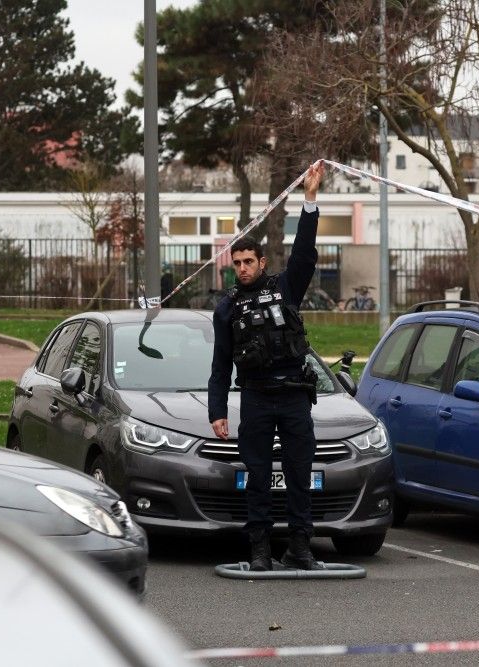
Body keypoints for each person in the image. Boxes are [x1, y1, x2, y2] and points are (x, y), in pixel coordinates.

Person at [208, 162, 324, 571]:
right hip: (256, 399)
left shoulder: (286, 288)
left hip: (293, 396)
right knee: (257, 477)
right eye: (236, 262)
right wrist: (217, 411)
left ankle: (300, 546)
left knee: (299, 474)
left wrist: (309, 199)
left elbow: (306, 255)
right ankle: (259, 549)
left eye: (248, 261)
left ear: (261, 262)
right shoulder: (227, 309)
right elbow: (221, 364)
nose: (241, 268)